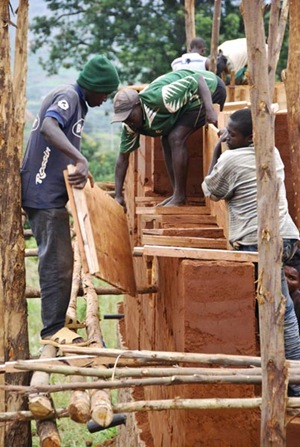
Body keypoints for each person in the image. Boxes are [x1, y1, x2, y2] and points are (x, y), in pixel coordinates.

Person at [21, 55, 120, 346]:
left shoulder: (77, 101)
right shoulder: (68, 96)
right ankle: (52, 330)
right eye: (104, 93)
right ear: (92, 86)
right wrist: (80, 158)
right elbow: (48, 127)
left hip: (51, 194)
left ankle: (58, 321)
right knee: (56, 262)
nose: (104, 100)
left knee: (61, 260)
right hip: (42, 195)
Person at [202, 108, 300, 396]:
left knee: (282, 313)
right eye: (226, 133)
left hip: (260, 243)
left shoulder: (231, 158)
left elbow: (211, 189)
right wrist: (227, 142)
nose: (228, 137)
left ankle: (294, 387)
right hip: (287, 237)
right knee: (276, 307)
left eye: (233, 134)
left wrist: (217, 149)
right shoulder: (273, 151)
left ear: (250, 136)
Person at [111, 69, 226, 208]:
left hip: (210, 90)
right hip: (187, 102)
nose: (129, 122)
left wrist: (210, 110)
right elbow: (123, 158)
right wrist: (118, 195)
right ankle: (177, 194)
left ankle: (180, 197)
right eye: (124, 119)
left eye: (130, 117)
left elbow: (198, 80)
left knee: (175, 137)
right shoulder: (130, 125)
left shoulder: (161, 98)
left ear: (138, 106)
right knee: (166, 140)